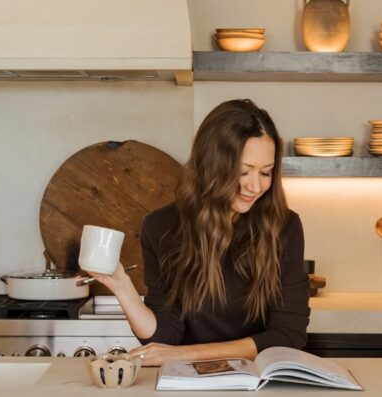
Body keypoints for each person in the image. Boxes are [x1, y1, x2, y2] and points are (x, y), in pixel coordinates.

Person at [86, 99, 310, 366]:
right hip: (188, 379)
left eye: (266, 172)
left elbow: (288, 335)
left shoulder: (284, 227)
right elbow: (165, 334)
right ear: (210, 165)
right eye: (243, 172)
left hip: (257, 377)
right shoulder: (160, 227)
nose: (255, 186)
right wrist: (122, 286)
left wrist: (187, 353)